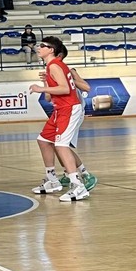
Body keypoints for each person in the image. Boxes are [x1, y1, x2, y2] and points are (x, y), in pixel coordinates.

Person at [28, 37, 89, 202]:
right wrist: (46, 85)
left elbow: (65, 88)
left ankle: (78, 186)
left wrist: (41, 88)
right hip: (59, 109)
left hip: (69, 108)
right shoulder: (51, 66)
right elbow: (51, 96)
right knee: (43, 140)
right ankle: (52, 180)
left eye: (43, 46)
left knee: (61, 145)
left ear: (51, 50)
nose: (39, 48)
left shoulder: (54, 65)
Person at [44, 45, 98, 192]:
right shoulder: (51, 70)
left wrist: (71, 81)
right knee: (56, 144)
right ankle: (70, 174)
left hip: (75, 110)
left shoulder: (68, 70)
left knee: (62, 145)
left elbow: (86, 87)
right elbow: (48, 98)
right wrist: (45, 83)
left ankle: (85, 174)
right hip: (63, 110)